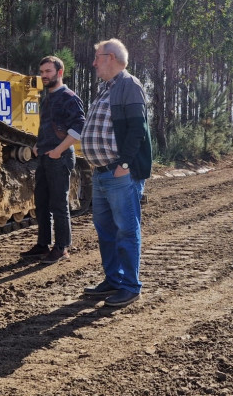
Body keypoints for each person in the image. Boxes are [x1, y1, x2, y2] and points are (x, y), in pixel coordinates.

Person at [80, 38, 152, 307]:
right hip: (101, 173)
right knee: (106, 230)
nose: (94, 62)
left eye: (97, 57)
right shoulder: (105, 88)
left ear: (111, 57)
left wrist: (124, 165)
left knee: (126, 231)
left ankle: (131, 286)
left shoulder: (129, 85)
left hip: (119, 174)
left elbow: (137, 130)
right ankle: (113, 279)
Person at [20, 56, 86, 264]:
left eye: (48, 71)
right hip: (46, 157)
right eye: (41, 72)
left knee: (58, 204)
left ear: (59, 72)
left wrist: (58, 150)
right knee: (42, 203)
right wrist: (39, 144)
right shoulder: (47, 98)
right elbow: (49, 126)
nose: (44, 76)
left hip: (60, 158)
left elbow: (79, 128)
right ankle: (43, 245)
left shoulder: (69, 97)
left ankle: (62, 247)